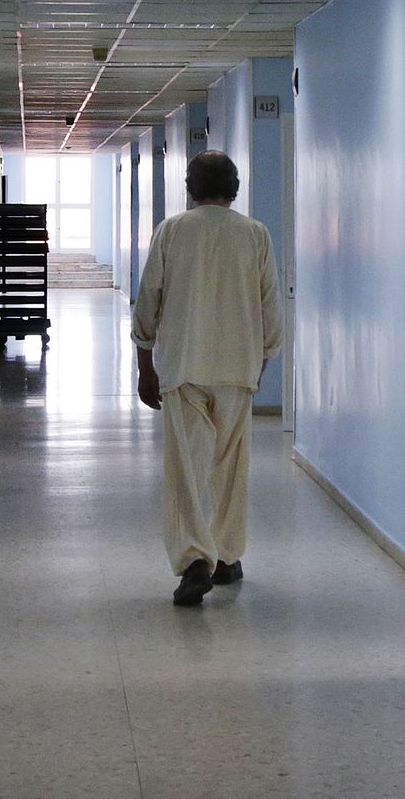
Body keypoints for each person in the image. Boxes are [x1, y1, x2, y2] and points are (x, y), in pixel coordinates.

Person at [131, 150, 283, 606]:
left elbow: (149, 297)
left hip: (183, 366)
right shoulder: (255, 234)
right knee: (231, 467)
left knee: (186, 466)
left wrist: (144, 365)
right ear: (234, 188)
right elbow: (270, 304)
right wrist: (261, 362)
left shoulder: (172, 230)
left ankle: (196, 559)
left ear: (190, 187)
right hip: (237, 367)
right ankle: (227, 556)